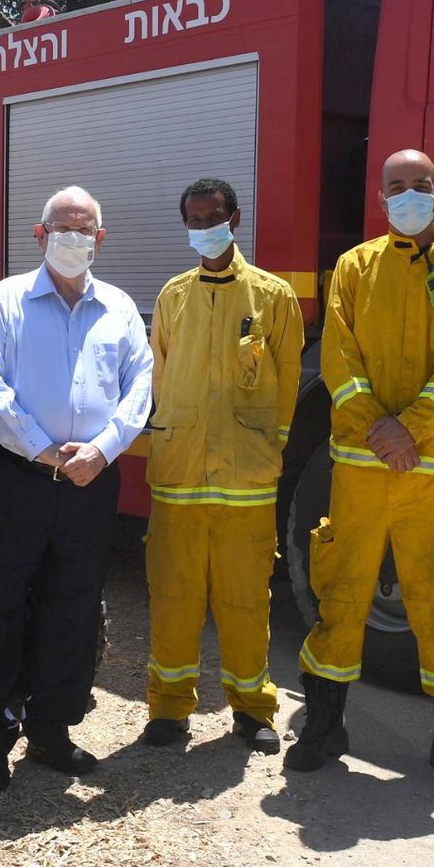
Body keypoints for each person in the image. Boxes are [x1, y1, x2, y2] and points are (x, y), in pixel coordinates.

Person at [285, 149, 434, 792]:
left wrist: (412, 429)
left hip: (433, 473)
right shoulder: (353, 267)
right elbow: (339, 357)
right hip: (362, 467)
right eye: (397, 186)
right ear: (381, 198)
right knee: (341, 595)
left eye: (420, 185)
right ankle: (323, 729)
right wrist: (381, 427)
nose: (409, 195)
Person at [0, 185, 153, 793]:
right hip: (16, 477)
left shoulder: (118, 307)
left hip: (90, 482)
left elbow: (140, 385)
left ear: (100, 239)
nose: (74, 239)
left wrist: (101, 450)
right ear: (39, 236)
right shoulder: (7, 301)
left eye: (85, 230)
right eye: (61, 229)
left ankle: (52, 729)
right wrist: (43, 448)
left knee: (73, 609)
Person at [144, 178, 302, 755]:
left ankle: (253, 709)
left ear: (235, 218)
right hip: (179, 474)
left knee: (244, 599)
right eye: (193, 217)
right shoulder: (173, 296)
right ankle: (167, 709)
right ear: (184, 224)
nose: (204, 225)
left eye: (213, 215)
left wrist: (269, 448)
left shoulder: (273, 296)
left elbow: (285, 386)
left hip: (246, 480)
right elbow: (158, 378)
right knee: (174, 595)